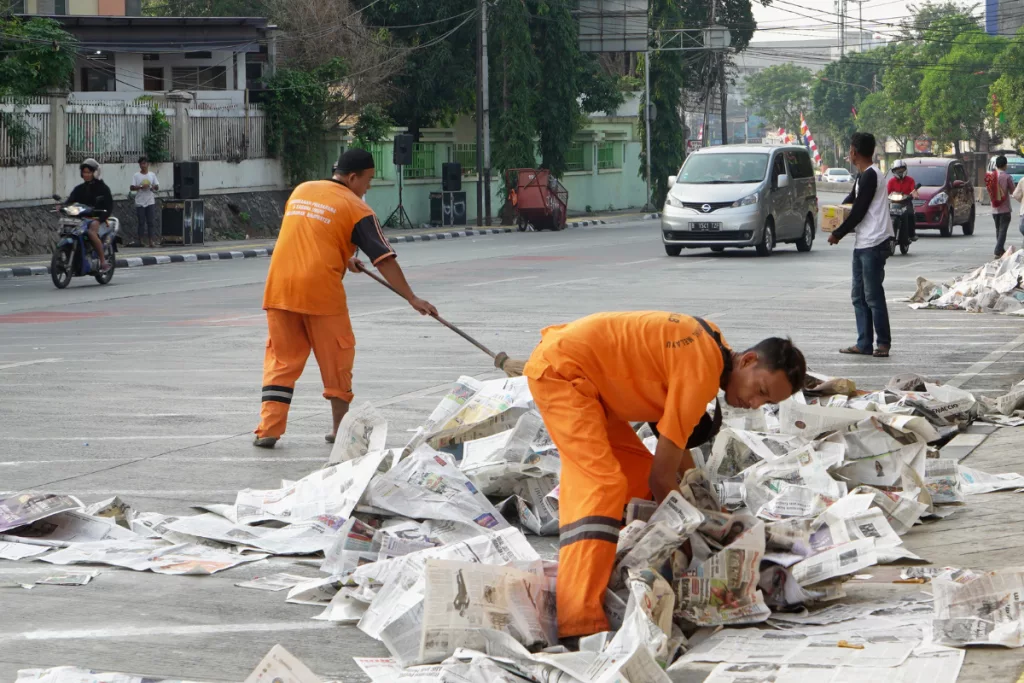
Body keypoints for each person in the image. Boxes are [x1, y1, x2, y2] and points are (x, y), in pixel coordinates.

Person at [523, 311, 805, 638]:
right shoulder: (702, 368)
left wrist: (709, 510)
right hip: (564, 373)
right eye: (760, 389)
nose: (754, 403)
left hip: (592, 387)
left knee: (639, 476)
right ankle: (578, 621)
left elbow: (675, 448)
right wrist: (689, 534)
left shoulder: (712, 348)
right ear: (748, 361)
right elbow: (664, 479)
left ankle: (613, 574)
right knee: (602, 484)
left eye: (765, 402)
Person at [254, 148, 437, 449]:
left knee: (281, 362)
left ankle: (268, 430)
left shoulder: (301, 191)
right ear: (353, 178)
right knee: (338, 360)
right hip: (320, 294)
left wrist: (345, 257)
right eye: (368, 180)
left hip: (279, 290)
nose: (369, 187)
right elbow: (384, 259)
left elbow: (313, 234)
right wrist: (412, 297)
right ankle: (340, 429)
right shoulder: (357, 209)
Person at [828, 132, 894, 358]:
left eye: (849, 149)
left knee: (873, 295)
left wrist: (838, 232)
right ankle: (864, 343)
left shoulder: (871, 176)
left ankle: (883, 343)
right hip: (863, 242)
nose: (849, 153)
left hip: (874, 242)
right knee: (859, 296)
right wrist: (833, 212)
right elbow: (850, 201)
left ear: (854, 152)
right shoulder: (863, 176)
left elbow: (859, 210)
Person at [65, 158, 113, 272]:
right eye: (84, 172)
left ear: (95, 173)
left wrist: (99, 220)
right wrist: (63, 207)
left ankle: (103, 262)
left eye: (89, 172)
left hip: (97, 219)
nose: (86, 175)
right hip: (82, 220)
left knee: (92, 232)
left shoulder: (103, 188)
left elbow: (109, 207)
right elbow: (70, 201)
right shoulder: (79, 189)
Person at [886, 159, 919, 242]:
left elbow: (913, 190)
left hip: (906, 202)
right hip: (893, 202)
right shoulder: (891, 181)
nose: (900, 171)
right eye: (898, 170)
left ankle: (911, 234)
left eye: (902, 169)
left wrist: (914, 194)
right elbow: (887, 192)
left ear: (905, 169)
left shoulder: (910, 180)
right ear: (894, 171)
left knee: (910, 214)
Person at [131, 157, 160, 248]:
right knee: (141, 222)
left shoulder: (152, 175)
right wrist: (140, 187)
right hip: (140, 201)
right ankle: (141, 241)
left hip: (150, 201)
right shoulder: (136, 175)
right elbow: (132, 187)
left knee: (150, 221)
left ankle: (151, 241)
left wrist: (152, 187)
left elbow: (157, 186)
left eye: (144, 163)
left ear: (148, 164)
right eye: (141, 164)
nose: (143, 166)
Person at [992, 155, 1016, 257]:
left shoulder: (991, 176)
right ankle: (998, 249)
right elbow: (1013, 191)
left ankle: (1001, 249)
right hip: (1004, 208)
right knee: (1003, 230)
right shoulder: (1007, 177)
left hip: (994, 208)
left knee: (998, 229)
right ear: (1005, 165)